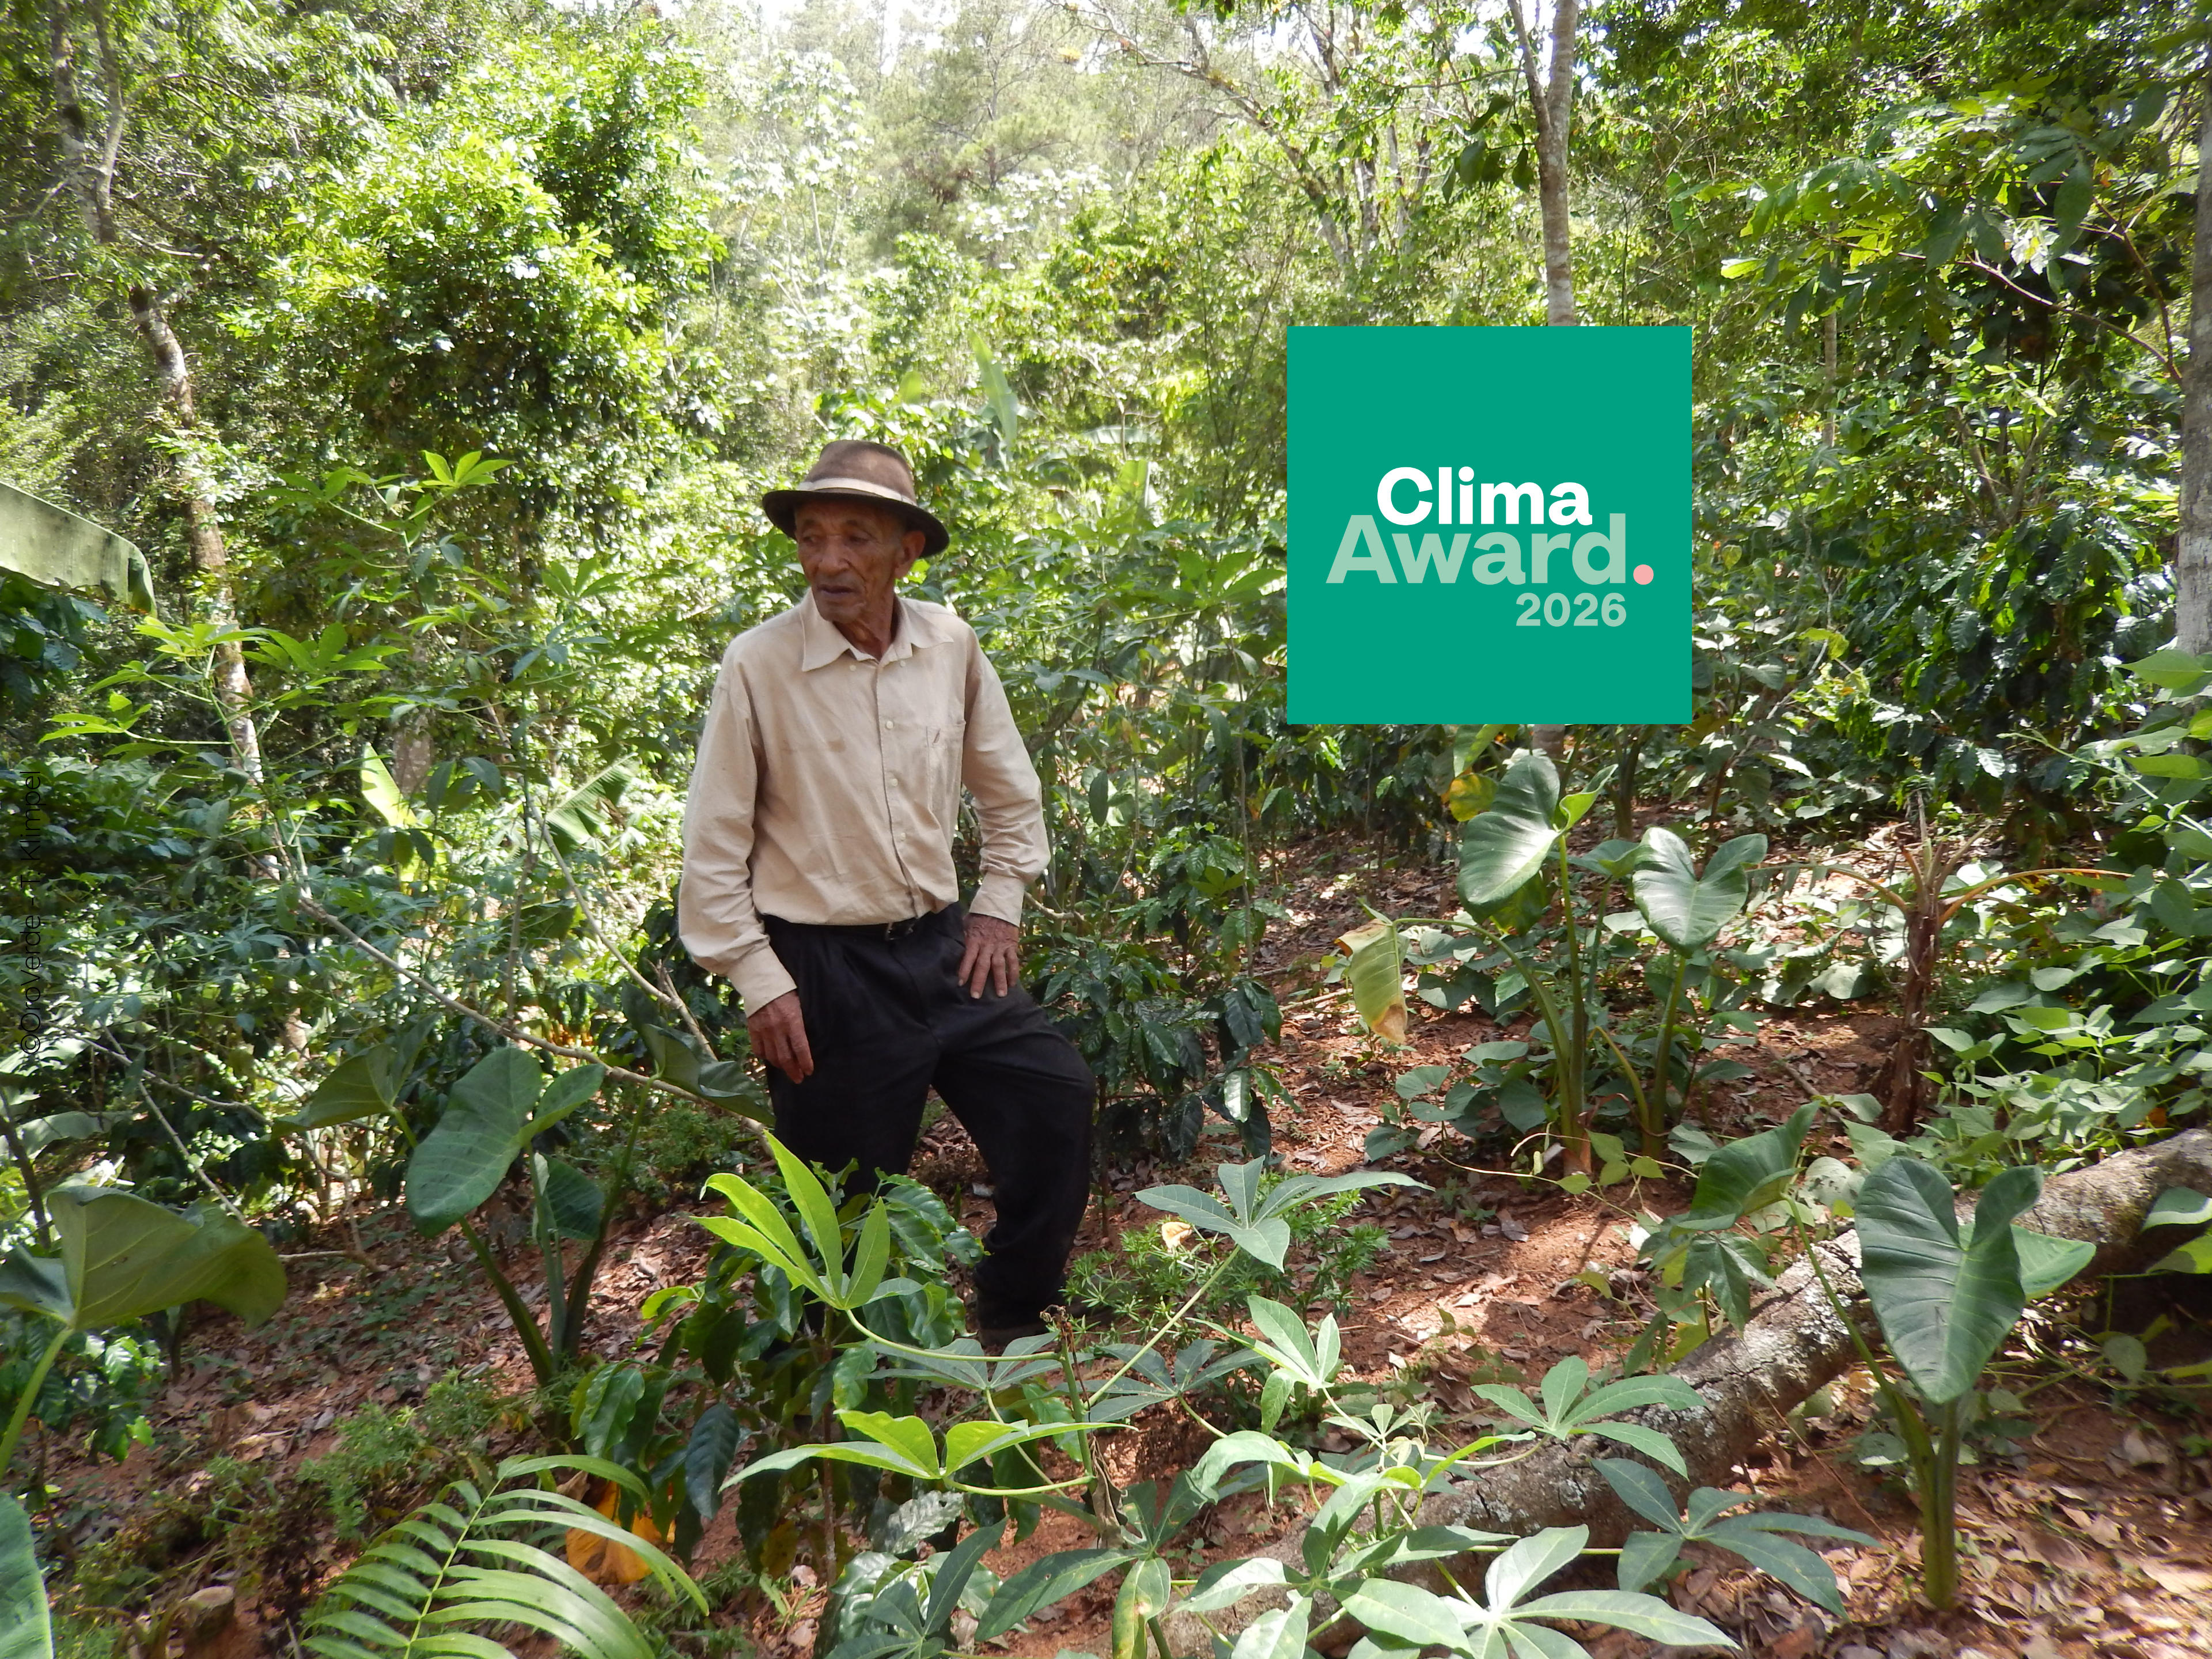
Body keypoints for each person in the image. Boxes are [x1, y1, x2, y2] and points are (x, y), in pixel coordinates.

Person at [678, 438, 1096, 1345]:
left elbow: (1007, 783)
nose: (828, 561)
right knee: (842, 1200)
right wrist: (759, 977)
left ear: (907, 550)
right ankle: (842, 1372)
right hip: (825, 968)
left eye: (857, 538)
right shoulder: (759, 664)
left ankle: (1015, 1308)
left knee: (1054, 1099)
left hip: (945, 946)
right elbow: (712, 841)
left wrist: (1000, 901)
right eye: (813, 537)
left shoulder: (949, 644)